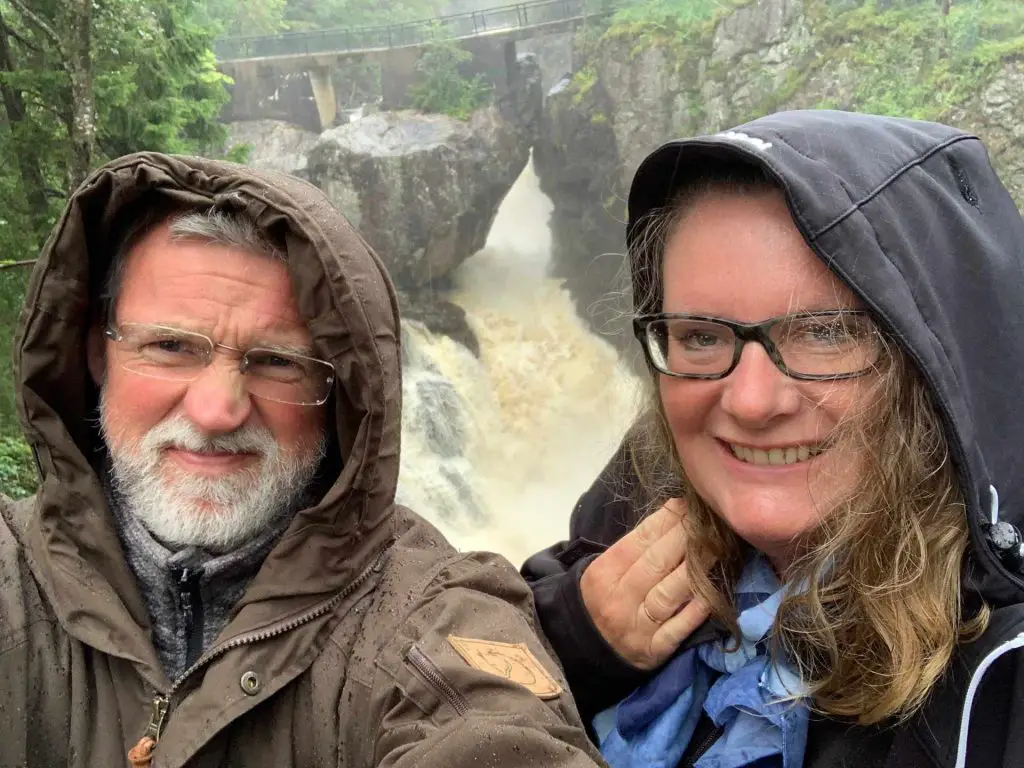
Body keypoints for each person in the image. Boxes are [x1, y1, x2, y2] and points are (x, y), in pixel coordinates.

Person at [0, 152, 606, 768]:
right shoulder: (11, 583)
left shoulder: (429, 612)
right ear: (96, 356)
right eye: (170, 346)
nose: (216, 410)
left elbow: (497, 733)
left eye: (276, 361)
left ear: (339, 395)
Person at [523, 110, 1024, 767]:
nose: (752, 402)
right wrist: (579, 644)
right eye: (701, 335)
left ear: (936, 360)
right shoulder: (642, 493)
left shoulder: (998, 682)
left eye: (824, 331)